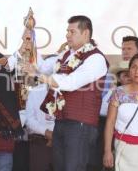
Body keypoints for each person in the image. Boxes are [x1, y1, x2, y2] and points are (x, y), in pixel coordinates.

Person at [23, 15, 108, 171]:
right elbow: (42, 67)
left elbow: (70, 83)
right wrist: (30, 41)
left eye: (72, 31)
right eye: (67, 31)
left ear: (86, 33)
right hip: (61, 121)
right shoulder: (66, 55)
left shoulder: (96, 58)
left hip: (80, 125)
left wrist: (38, 76)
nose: (67, 35)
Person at [103, 53, 138, 170]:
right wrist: (107, 151)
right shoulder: (119, 93)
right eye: (134, 67)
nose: (137, 71)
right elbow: (110, 122)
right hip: (123, 148)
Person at [25, 81, 55, 171]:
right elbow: (29, 119)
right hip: (39, 142)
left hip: (62, 142)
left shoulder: (67, 89)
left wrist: (56, 135)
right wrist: (46, 132)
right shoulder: (35, 91)